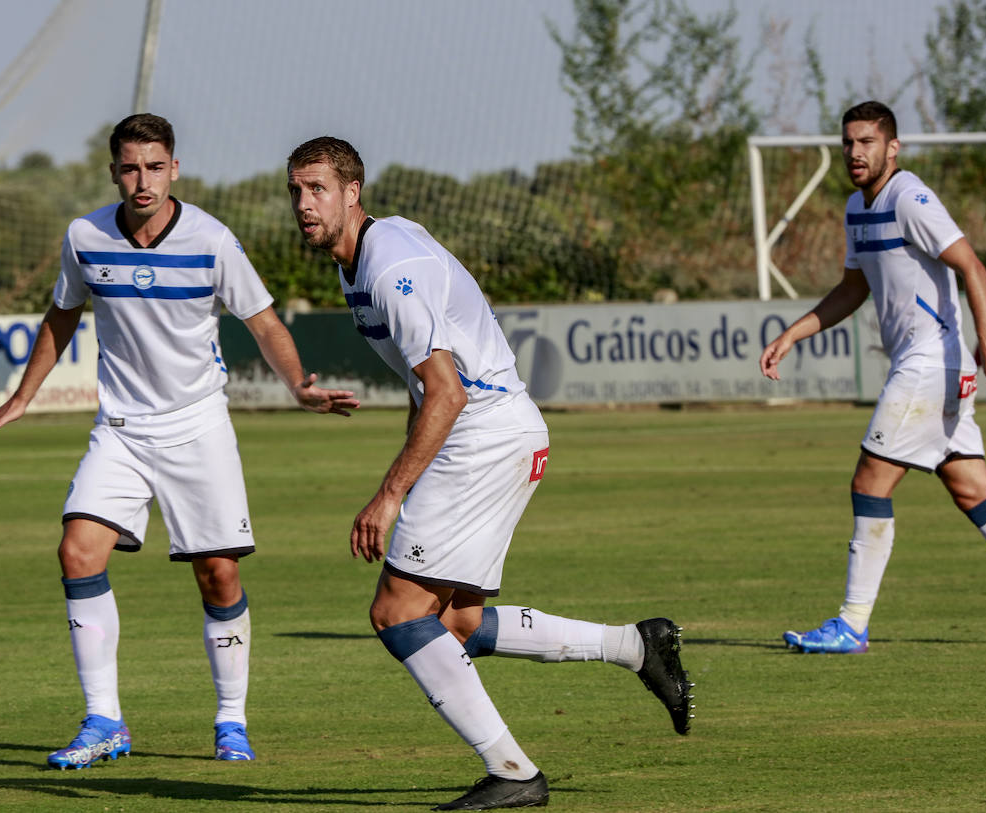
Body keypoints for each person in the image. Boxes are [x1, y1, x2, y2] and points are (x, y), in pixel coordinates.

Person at [287, 136, 693, 811]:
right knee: (460, 621)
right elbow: (430, 393)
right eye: (296, 191)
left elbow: (446, 392)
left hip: (485, 434)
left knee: (396, 612)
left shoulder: (390, 269)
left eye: (318, 189)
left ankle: (513, 772)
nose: (304, 203)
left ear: (352, 193)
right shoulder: (359, 260)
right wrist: (408, 478)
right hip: (496, 433)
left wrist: (391, 494)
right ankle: (636, 644)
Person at [0, 114, 360, 768]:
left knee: (218, 572)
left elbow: (262, 322)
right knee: (77, 550)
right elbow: (61, 314)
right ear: (114, 171)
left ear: (174, 168)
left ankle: (230, 718)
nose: (141, 180)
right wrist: (20, 398)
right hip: (120, 428)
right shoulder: (85, 236)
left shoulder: (211, 239)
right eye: (129, 168)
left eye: (154, 166)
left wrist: (297, 385)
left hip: (197, 426)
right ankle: (104, 719)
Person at [760, 100, 986, 653]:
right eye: (848, 143)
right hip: (930, 365)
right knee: (972, 489)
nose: (855, 153)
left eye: (866, 142)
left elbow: (972, 266)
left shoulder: (909, 197)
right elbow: (853, 289)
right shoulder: (855, 208)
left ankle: (852, 624)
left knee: (870, 482)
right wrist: (793, 333)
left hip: (930, 362)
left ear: (892, 147)